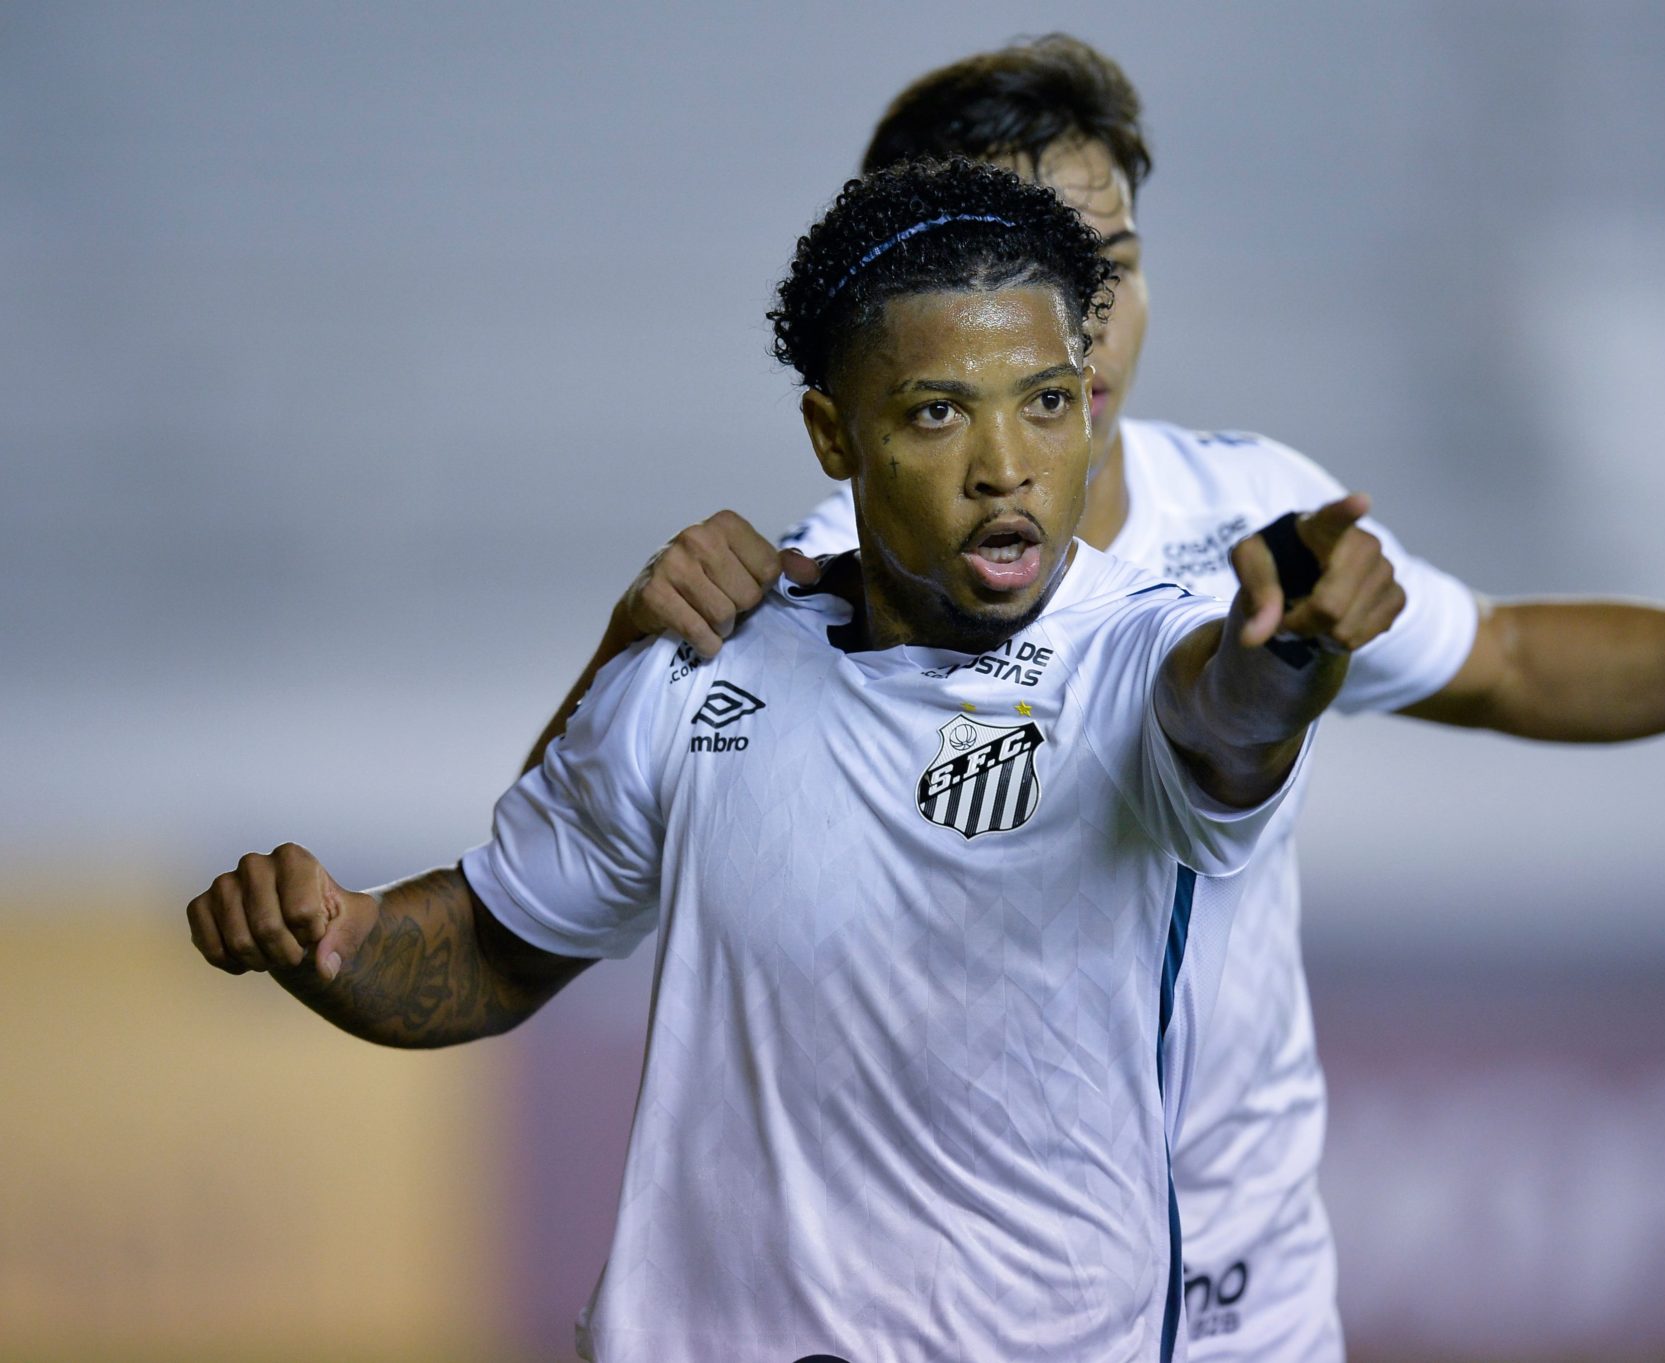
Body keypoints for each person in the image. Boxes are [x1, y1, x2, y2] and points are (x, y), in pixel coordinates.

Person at [522, 35, 1665, 1362]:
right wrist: (618, 645)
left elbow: (1512, 660)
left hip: (1239, 1295)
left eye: (1118, 261)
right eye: (1041, 265)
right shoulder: (815, 595)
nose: (1089, 319)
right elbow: (557, 851)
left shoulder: (1254, 517)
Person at [185, 157, 1404, 1362]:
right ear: (834, 432)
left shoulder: (1135, 656)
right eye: (938, 411)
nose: (1004, 463)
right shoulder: (699, 667)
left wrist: (1292, 652)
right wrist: (335, 938)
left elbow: (1230, 719)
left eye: (1043, 402)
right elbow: (496, 945)